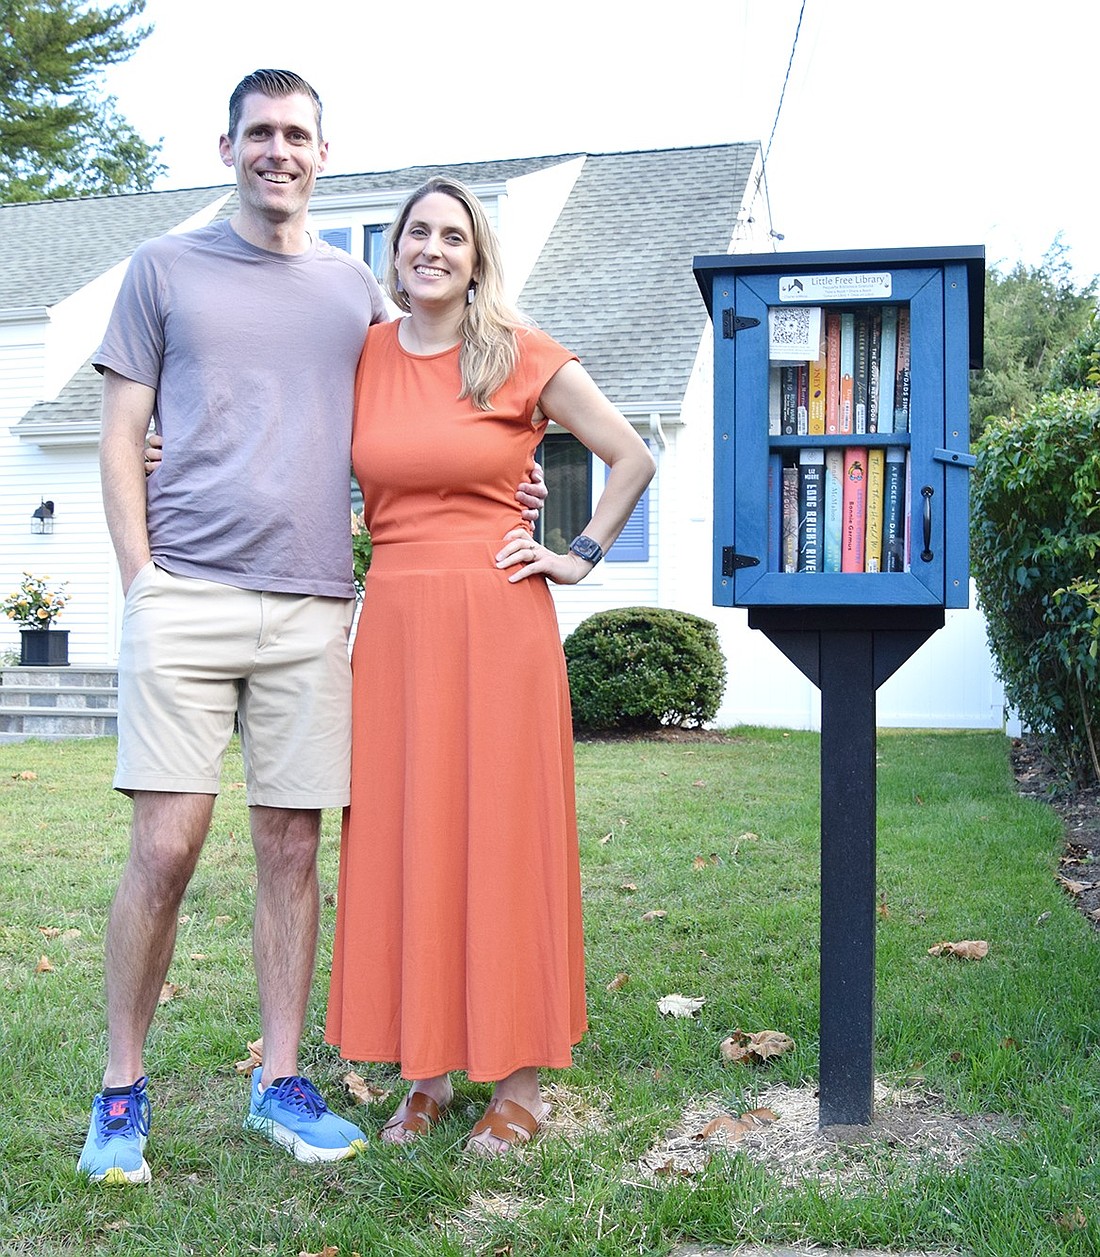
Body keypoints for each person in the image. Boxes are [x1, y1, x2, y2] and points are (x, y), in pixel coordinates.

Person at [80, 72, 546, 1185]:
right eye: (259, 133)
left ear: (323, 154)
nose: (277, 150)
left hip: (313, 603)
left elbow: (433, 398)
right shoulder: (162, 269)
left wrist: (515, 495)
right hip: (186, 591)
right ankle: (119, 1091)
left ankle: (279, 1082)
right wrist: (140, 578)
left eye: (296, 134)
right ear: (227, 146)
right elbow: (118, 436)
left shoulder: (355, 295)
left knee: (293, 848)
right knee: (167, 844)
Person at [325, 177, 656, 1155]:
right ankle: (423, 1073)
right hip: (393, 627)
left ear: (476, 258)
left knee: (502, 837)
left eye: (451, 237)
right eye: (416, 232)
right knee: (405, 834)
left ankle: (519, 1080)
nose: (431, 249)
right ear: (395, 250)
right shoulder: (366, 355)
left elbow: (629, 457)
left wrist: (576, 551)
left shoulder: (516, 352)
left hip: (496, 623)